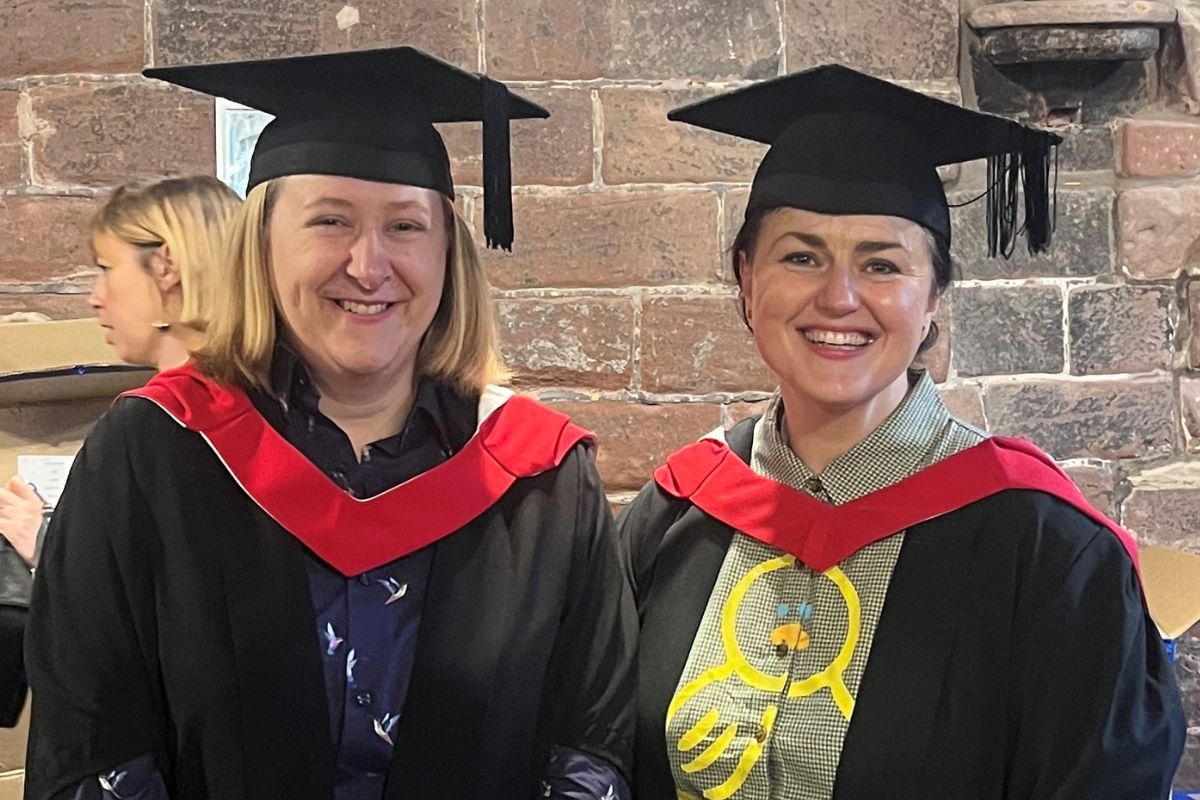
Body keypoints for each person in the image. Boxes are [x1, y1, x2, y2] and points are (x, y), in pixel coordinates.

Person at [23, 46, 636, 800]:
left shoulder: (541, 482)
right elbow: (92, 745)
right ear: (262, 245)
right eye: (330, 220)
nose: (369, 264)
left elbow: (590, 747)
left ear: (449, 253)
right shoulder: (152, 457)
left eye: (406, 227)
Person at [618, 64, 1184, 799]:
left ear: (932, 301)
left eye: (881, 264)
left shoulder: (1046, 549)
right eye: (800, 256)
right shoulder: (675, 515)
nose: (838, 297)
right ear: (746, 280)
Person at [0, 175, 240, 727]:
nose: (94, 296)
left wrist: (47, 556)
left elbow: (114, 641)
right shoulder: (274, 405)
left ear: (167, 269)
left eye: (108, 270)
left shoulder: (148, 427)